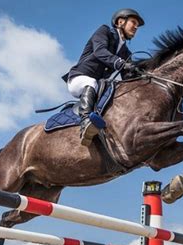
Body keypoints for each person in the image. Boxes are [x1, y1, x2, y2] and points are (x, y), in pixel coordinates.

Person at [62, 8, 145, 146]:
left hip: (98, 85)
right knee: (92, 82)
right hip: (79, 78)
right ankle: (85, 122)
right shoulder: (104, 31)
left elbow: (128, 78)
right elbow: (100, 51)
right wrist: (120, 63)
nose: (136, 27)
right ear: (120, 21)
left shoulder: (126, 52)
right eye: (133, 22)